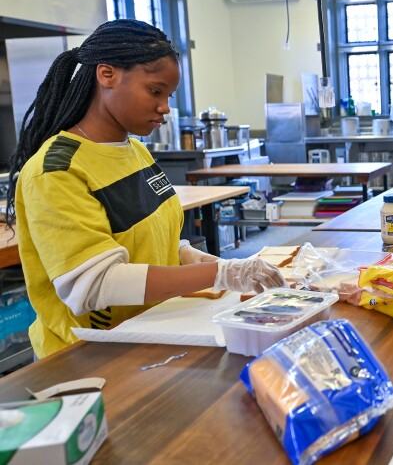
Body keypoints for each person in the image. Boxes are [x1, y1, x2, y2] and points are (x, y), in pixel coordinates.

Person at [4, 19, 285, 359]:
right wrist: (220, 272)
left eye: (168, 95)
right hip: (87, 356)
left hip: (148, 333)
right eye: (155, 91)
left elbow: (152, 236)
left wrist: (197, 259)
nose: (165, 107)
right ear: (107, 74)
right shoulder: (57, 171)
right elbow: (94, 285)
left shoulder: (134, 151)